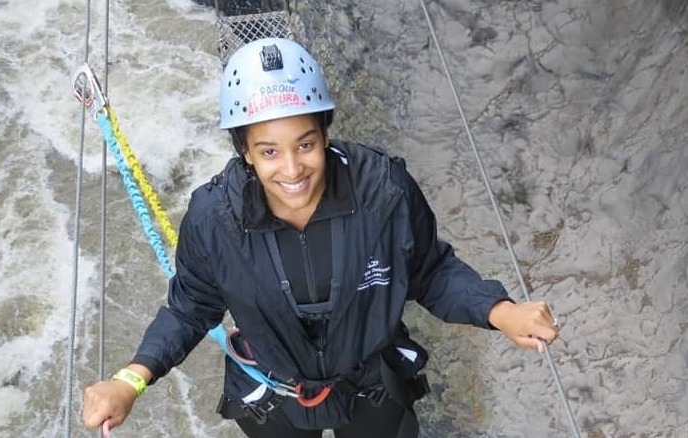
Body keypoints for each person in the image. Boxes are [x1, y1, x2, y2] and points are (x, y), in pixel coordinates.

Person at [81, 37, 560, 438]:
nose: (292, 170)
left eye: (305, 144)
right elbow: (191, 309)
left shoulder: (383, 192)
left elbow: (430, 272)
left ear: (325, 134)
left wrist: (502, 312)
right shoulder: (214, 220)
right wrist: (131, 381)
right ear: (245, 152)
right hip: (274, 391)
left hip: (371, 382)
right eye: (269, 151)